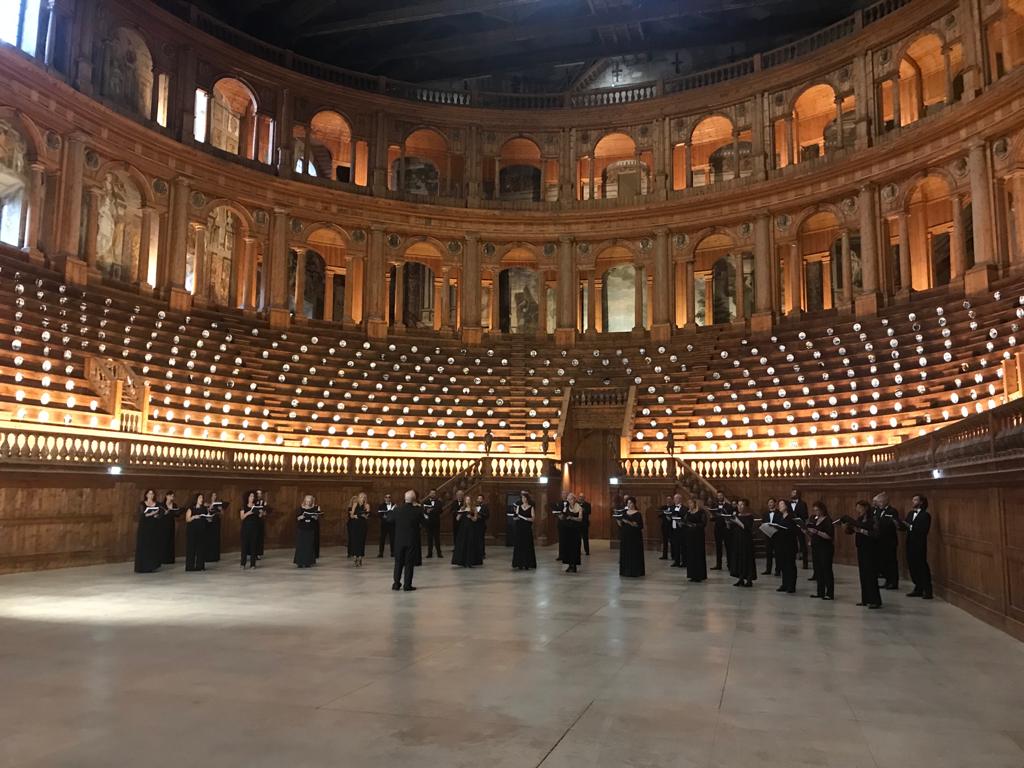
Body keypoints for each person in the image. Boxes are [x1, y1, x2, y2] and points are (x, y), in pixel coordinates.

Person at [844, 500, 882, 608]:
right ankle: (865, 599)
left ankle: (875, 600)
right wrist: (848, 526)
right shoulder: (860, 519)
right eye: (857, 508)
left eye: (860, 507)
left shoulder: (872, 519)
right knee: (863, 574)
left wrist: (861, 531)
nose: (858, 510)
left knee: (871, 575)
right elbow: (851, 530)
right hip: (861, 548)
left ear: (866, 508)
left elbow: (875, 534)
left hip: (870, 550)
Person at [902, 494, 933, 599]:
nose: (913, 502)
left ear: (921, 502)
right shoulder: (911, 513)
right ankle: (918, 587)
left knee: (921, 566)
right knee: (912, 566)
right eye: (913, 499)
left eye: (915, 500)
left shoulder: (925, 515)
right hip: (910, 543)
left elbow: (923, 530)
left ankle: (927, 590)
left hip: (919, 544)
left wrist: (910, 526)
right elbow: (905, 526)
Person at [392, 490, 423, 591]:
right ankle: (407, 585)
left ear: (404, 498)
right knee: (409, 563)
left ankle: (396, 584)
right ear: (414, 500)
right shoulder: (417, 510)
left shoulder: (397, 510)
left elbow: (388, 519)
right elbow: (425, 522)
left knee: (398, 563)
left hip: (399, 541)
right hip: (411, 541)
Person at [805, 501, 835, 600]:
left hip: (825, 548)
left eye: (817, 510)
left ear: (822, 509)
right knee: (818, 570)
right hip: (816, 547)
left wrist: (817, 531)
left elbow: (829, 536)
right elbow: (812, 534)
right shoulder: (814, 519)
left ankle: (829, 593)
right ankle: (820, 592)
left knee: (826, 570)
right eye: (814, 510)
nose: (816, 512)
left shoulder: (827, 520)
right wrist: (806, 531)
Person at [874, 492, 901, 590]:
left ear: (885, 501)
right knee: (883, 562)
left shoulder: (892, 511)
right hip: (879, 541)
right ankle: (887, 580)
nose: (878, 504)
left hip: (889, 541)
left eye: (880, 502)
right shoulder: (877, 511)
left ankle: (893, 582)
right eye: (877, 502)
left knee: (891, 562)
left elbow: (893, 524)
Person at [728, 498, 757, 587]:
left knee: (746, 559)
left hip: (746, 541)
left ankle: (749, 579)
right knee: (739, 559)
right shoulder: (736, 515)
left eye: (741, 505)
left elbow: (747, 528)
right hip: (737, 540)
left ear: (746, 506)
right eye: (738, 505)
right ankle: (740, 578)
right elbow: (731, 529)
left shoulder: (749, 516)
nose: (739, 507)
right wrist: (728, 522)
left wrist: (737, 521)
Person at [134, 489, 163, 573]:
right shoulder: (142, 504)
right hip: (144, 527)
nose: (151, 495)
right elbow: (142, 515)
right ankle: (142, 566)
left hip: (154, 527)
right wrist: (151, 514)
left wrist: (157, 515)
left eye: (152, 494)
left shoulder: (157, 504)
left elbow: (161, 513)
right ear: (146, 495)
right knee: (144, 545)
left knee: (152, 545)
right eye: (149, 493)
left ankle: (151, 565)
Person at [616, 496, 645, 577]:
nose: (629, 504)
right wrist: (618, 520)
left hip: (635, 537)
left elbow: (640, 526)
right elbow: (621, 525)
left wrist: (629, 522)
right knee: (626, 552)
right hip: (625, 536)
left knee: (634, 553)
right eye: (628, 503)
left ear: (634, 503)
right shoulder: (624, 513)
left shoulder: (638, 514)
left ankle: (635, 571)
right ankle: (625, 571)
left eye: (631, 503)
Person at [773, 502, 798, 593]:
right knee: (783, 565)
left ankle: (791, 586)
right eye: (779, 505)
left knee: (790, 565)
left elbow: (794, 530)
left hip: (789, 544)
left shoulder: (791, 517)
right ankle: (785, 584)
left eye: (781, 505)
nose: (779, 506)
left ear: (786, 506)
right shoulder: (780, 517)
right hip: (781, 544)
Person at [184, 492, 211, 572]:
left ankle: (200, 566)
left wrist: (209, 517)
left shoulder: (204, 508)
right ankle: (190, 566)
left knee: (201, 548)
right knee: (191, 548)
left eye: (202, 498)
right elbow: (187, 519)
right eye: (200, 498)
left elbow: (208, 519)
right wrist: (194, 517)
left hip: (201, 530)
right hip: (192, 530)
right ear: (196, 499)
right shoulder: (191, 508)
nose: (201, 500)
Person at [451, 495, 480, 567]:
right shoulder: (462, 508)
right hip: (463, 529)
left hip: (471, 528)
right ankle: (462, 561)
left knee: (470, 544)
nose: (468, 501)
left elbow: (475, 519)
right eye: (466, 500)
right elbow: (457, 519)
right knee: (463, 544)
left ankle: (470, 561)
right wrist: (460, 512)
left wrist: (471, 517)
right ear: (465, 501)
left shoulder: (474, 509)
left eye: (469, 500)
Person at [786, 489, 810, 574]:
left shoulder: (802, 503)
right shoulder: (788, 504)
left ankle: (805, 562)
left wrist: (799, 519)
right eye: (791, 492)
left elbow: (805, 515)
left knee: (802, 544)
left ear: (798, 494)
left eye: (794, 492)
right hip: (791, 526)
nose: (792, 494)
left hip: (799, 526)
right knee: (790, 544)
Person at [511, 490, 537, 570]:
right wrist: (516, 517)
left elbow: (533, 518)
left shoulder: (531, 507)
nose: (523, 499)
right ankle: (519, 563)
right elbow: (515, 517)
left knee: (527, 545)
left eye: (524, 498)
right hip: (519, 528)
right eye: (522, 498)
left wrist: (527, 518)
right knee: (519, 545)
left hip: (527, 528)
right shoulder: (518, 507)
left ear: (527, 499)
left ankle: (527, 563)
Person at [684, 498, 708, 582]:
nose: (689, 505)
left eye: (691, 503)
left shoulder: (701, 512)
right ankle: (692, 574)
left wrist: (695, 525)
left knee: (698, 554)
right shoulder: (688, 512)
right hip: (690, 536)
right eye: (688, 503)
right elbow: (685, 521)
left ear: (695, 504)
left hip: (698, 536)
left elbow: (704, 523)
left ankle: (699, 575)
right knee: (691, 555)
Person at [294, 494, 320, 568]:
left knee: (309, 545)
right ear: (304, 501)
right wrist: (302, 516)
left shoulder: (314, 509)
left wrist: (314, 516)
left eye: (309, 501)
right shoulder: (300, 508)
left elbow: (316, 518)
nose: (308, 502)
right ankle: (300, 562)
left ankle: (308, 562)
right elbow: (297, 518)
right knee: (301, 546)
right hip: (302, 528)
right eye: (307, 501)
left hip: (310, 528)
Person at [710, 491, 734, 571]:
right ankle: (718, 564)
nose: (719, 497)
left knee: (728, 546)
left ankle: (730, 564)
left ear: (723, 496)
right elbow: (713, 518)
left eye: (721, 495)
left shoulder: (728, 506)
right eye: (718, 496)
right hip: (717, 528)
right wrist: (712, 516)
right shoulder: (714, 505)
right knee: (718, 547)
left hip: (726, 528)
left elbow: (731, 516)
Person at [561, 494, 584, 573]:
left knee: (574, 548)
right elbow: (563, 516)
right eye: (568, 499)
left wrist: (572, 518)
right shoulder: (566, 507)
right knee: (567, 547)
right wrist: (561, 516)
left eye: (571, 499)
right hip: (567, 530)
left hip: (575, 531)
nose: (569, 501)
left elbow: (580, 519)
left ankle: (574, 565)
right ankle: (569, 565)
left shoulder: (579, 507)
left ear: (574, 499)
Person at [347, 492, 370, 566]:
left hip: (363, 524)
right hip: (355, 524)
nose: (362, 498)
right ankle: (354, 558)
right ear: (358, 497)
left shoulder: (367, 505)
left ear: (365, 498)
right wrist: (355, 516)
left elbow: (367, 516)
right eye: (361, 497)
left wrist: (364, 515)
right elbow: (351, 515)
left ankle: (360, 558)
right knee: (354, 541)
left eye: (364, 497)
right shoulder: (355, 504)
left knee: (361, 541)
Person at [239, 491, 261, 569]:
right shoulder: (243, 506)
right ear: (247, 497)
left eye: (253, 496)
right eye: (251, 496)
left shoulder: (256, 506)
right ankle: (243, 563)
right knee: (244, 546)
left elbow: (259, 516)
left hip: (254, 528)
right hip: (245, 528)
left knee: (253, 546)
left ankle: (253, 564)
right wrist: (249, 512)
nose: (252, 498)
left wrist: (260, 512)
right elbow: (242, 517)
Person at [159, 490, 181, 565]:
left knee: (170, 540)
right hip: (163, 524)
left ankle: (170, 559)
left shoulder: (174, 505)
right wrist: (164, 513)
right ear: (167, 496)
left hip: (171, 524)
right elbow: (159, 514)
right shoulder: (162, 505)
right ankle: (162, 558)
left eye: (173, 496)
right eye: (171, 496)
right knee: (163, 541)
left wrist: (177, 511)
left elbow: (177, 515)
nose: (172, 497)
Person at [762, 498, 781, 576]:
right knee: (768, 553)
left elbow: (780, 523)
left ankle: (778, 570)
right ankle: (768, 569)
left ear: (775, 503)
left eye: (771, 502)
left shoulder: (779, 513)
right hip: (768, 535)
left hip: (777, 535)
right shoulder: (765, 513)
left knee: (777, 554)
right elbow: (763, 522)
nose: (770, 504)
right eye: (769, 502)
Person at [423, 488, 443, 558]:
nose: (432, 494)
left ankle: (439, 553)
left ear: (435, 494)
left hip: (436, 522)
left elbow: (440, 511)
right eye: (431, 493)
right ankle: (429, 553)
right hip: (428, 522)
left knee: (437, 538)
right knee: (429, 538)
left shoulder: (439, 502)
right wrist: (427, 511)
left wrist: (432, 510)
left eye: (434, 493)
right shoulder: (425, 502)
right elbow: (423, 511)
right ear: (429, 494)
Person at [205, 492, 225, 563]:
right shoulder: (206, 503)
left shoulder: (218, 504)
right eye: (213, 495)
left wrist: (220, 509)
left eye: (215, 495)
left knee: (216, 538)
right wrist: (210, 507)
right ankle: (207, 556)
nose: (214, 496)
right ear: (210, 496)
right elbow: (205, 512)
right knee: (208, 539)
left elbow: (222, 513)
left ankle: (215, 556)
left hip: (216, 522)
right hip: (209, 522)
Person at [668, 493, 686, 568]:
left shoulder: (684, 508)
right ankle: (676, 561)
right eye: (674, 498)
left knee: (682, 546)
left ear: (680, 499)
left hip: (681, 530)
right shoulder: (672, 507)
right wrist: (668, 518)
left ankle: (684, 561)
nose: (675, 500)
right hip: (673, 529)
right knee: (675, 546)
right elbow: (670, 516)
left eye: (677, 498)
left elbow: (685, 518)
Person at [377, 493, 397, 558]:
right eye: (386, 497)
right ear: (384, 498)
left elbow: (396, 514)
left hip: (392, 525)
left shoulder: (394, 505)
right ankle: (381, 553)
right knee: (382, 539)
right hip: (384, 525)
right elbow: (379, 514)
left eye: (389, 497)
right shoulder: (381, 505)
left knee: (392, 539)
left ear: (390, 498)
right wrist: (383, 516)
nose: (388, 498)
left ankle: (393, 552)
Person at [553, 493, 571, 562]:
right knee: (561, 540)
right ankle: (561, 555)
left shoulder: (570, 503)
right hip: (560, 524)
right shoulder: (559, 503)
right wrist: (558, 515)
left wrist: (566, 516)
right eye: (563, 494)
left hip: (568, 524)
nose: (564, 495)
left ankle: (568, 555)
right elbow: (555, 511)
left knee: (568, 540)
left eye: (565, 494)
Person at [474, 493, 489, 563]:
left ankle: (482, 553)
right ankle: (476, 552)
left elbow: (487, 515)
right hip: (475, 525)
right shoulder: (474, 506)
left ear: (483, 500)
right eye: (478, 498)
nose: (479, 500)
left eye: (481, 499)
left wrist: (480, 514)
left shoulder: (485, 507)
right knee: (475, 539)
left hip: (481, 525)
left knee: (481, 540)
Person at [254, 489, 268, 560]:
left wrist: (264, 513)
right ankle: (253, 553)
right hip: (254, 521)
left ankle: (259, 553)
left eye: (260, 494)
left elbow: (265, 512)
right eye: (258, 493)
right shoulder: (253, 502)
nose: (259, 495)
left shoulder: (263, 502)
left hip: (261, 521)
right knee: (254, 537)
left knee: (260, 537)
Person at [659, 494, 673, 560]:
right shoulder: (663, 507)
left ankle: (673, 555)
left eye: (670, 499)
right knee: (665, 541)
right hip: (664, 526)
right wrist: (664, 513)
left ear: (671, 500)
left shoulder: (673, 507)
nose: (668, 501)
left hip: (671, 527)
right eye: (667, 500)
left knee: (672, 542)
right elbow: (659, 515)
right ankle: (664, 555)